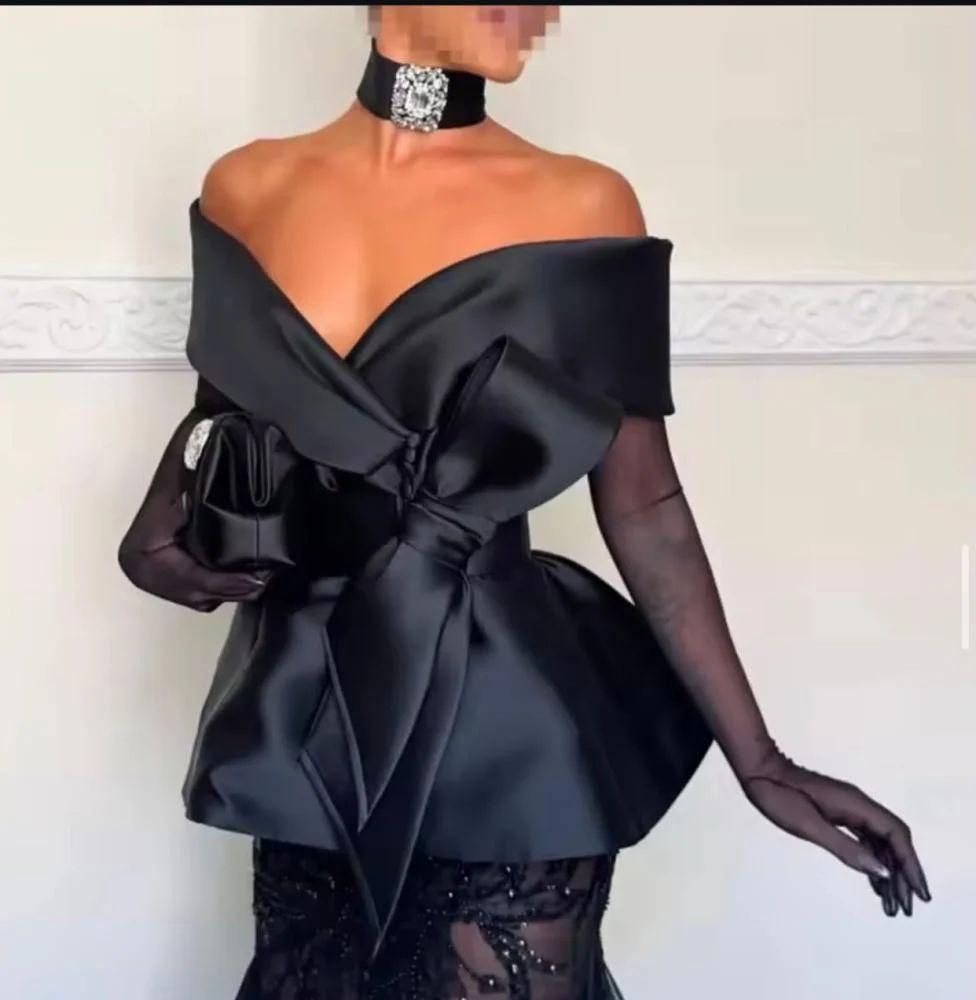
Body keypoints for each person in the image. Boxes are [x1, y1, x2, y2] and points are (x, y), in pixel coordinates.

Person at [117, 7, 931, 998]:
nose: (541, 11)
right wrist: (163, 507)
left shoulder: (583, 202)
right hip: (303, 700)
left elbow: (646, 505)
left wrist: (759, 758)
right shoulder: (246, 187)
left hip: (506, 712)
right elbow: (227, 401)